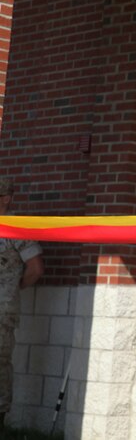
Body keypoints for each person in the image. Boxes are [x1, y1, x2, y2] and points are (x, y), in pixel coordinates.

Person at [0, 179, 44, 430]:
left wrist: (12, 289)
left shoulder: (16, 228)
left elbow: (35, 268)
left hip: (2, 310)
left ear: (6, 198)